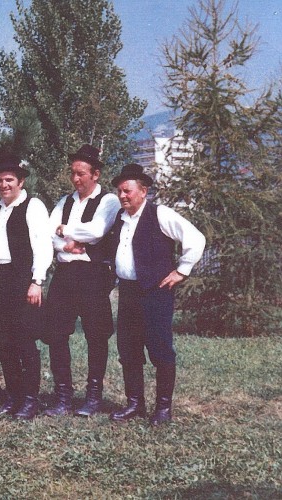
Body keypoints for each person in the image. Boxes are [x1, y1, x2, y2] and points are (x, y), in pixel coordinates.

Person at [107, 163, 205, 426]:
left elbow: (195, 238)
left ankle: (163, 408)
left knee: (160, 349)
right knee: (128, 349)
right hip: (128, 292)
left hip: (155, 292)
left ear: (143, 191)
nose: (122, 196)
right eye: (119, 191)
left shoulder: (160, 214)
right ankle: (135, 404)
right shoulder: (120, 218)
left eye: (127, 191)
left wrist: (181, 271)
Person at [43, 145, 121, 417]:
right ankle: (63, 396)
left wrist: (65, 229)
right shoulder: (64, 202)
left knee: (96, 335)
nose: (75, 179)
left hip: (93, 274)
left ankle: (93, 396)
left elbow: (97, 231)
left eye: (81, 174)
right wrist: (67, 245)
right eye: (73, 173)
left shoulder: (108, 201)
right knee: (56, 334)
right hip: (65, 273)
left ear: (95, 174)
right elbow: (48, 233)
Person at [0, 154, 53, 420]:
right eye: (0, 180)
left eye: (9, 180)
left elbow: (43, 245)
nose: (4, 185)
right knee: (3, 341)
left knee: (24, 341)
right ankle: (13, 397)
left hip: (21, 279)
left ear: (21, 182)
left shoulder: (32, 206)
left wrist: (37, 281)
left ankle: (30, 400)